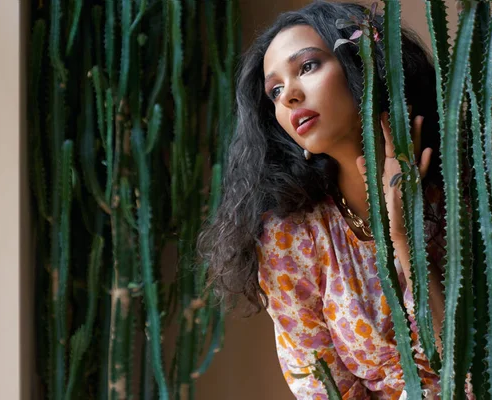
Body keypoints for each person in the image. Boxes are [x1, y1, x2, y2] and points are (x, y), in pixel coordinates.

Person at [196, 1, 465, 398]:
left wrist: (406, 241)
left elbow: (474, 365)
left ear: (362, 67)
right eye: (275, 90)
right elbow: (322, 389)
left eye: (306, 66)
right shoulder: (291, 239)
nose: (289, 95)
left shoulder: (464, 186)